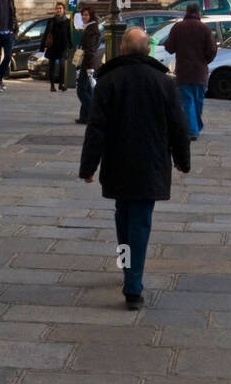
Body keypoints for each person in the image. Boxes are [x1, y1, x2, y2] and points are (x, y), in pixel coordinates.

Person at [79, 27, 191, 309]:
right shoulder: (163, 82)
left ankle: (129, 271)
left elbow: (96, 128)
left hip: (118, 161)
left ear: (122, 49)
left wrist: (88, 166)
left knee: (124, 215)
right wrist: (182, 160)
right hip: (150, 163)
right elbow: (179, 126)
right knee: (139, 221)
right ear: (149, 50)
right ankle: (133, 287)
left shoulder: (108, 80)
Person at [163, 2, 217, 141]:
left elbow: (169, 47)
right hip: (200, 72)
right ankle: (195, 128)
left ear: (186, 12)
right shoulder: (205, 28)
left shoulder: (178, 27)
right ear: (198, 13)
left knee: (187, 101)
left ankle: (192, 129)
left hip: (184, 71)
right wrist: (204, 61)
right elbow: (212, 50)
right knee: (198, 101)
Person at [75, 6, 102, 125]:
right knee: (87, 90)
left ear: (91, 16)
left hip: (88, 63)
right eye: (83, 15)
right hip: (88, 62)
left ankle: (93, 114)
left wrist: (89, 66)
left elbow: (90, 49)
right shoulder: (89, 27)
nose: (84, 17)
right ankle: (84, 117)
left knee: (81, 90)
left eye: (86, 15)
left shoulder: (91, 29)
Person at [41, 1, 72, 91]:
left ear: (63, 10)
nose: (58, 10)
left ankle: (61, 84)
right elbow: (46, 33)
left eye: (60, 8)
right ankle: (52, 85)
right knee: (52, 66)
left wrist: (70, 44)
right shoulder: (51, 20)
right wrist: (42, 46)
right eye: (57, 8)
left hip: (62, 46)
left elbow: (68, 34)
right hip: (52, 46)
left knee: (62, 66)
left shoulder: (67, 21)